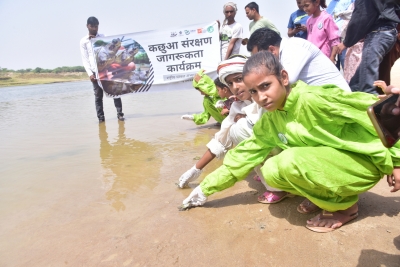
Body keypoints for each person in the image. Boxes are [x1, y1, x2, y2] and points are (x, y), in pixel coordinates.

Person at [182, 51, 400, 233]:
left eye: (265, 86)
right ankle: (329, 194)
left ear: (284, 78)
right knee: (271, 170)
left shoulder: (314, 99)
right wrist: (204, 189)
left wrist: (397, 162)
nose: (261, 97)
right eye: (254, 92)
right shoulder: (271, 118)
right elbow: (242, 156)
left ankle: (346, 208)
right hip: (333, 164)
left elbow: (381, 112)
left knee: (287, 161)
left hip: (364, 163)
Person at [178, 56, 261, 188]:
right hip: (267, 149)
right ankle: (267, 175)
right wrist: (196, 169)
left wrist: (248, 119)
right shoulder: (237, 106)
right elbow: (221, 139)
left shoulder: (268, 96)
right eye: (230, 83)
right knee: (233, 130)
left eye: (239, 79)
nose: (235, 87)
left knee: (240, 128)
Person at [247, 28, 351, 91]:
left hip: (337, 101)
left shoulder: (292, 46)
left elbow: (287, 82)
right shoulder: (284, 52)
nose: (260, 64)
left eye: (259, 58)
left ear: (272, 50)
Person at [337, 0, 399, 95]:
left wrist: (346, 42)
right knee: (356, 83)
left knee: (367, 88)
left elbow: (362, 16)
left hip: (379, 33)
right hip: (389, 32)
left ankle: (371, 106)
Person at [80, 17, 124, 123]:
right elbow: (85, 59)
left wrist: (97, 41)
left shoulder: (103, 37)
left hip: (107, 68)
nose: (95, 28)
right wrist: (90, 74)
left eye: (96, 26)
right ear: (87, 26)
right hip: (95, 71)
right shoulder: (83, 41)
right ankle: (101, 118)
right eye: (92, 26)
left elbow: (109, 50)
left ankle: (120, 114)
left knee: (114, 91)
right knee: (98, 95)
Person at [325, 0, 353, 70]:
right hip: (332, 39)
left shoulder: (351, 1)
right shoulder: (331, 4)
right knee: (333, 67)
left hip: (344, 39)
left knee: (346, 65)